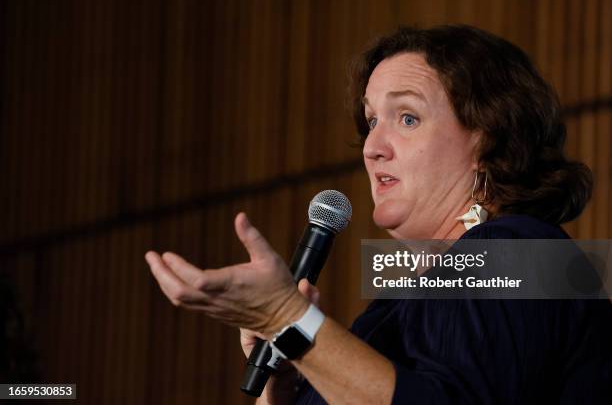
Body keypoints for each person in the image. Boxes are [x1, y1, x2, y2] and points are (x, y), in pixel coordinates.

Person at [145, 25, 612, 403]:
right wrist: (285, 381)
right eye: (371, 121)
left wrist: (289, 318)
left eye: (407, 118)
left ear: (487, 139)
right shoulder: (394, 308)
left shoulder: (520, 251)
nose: (371, 147)